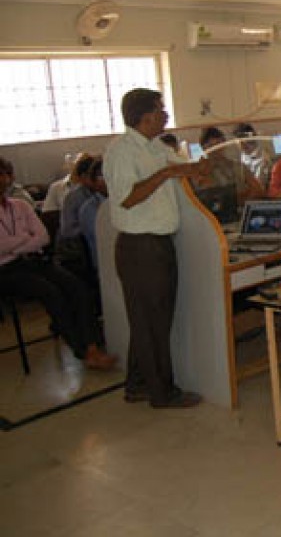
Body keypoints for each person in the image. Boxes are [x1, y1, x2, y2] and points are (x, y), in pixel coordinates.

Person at [103, 88, 210, 406]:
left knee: (150, 321)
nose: (166, 115)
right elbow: (127, 197)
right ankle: (163, 393)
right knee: (152, 323)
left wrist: (201, 168)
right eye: (161, 110)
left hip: (158, 244)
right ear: (146, 116)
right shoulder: (121, 151)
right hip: (140, 248)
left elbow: (184, 168)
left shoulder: (156, 146)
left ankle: (138, 384)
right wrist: (166, 173)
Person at [0, 156, 115, 370]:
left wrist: (14, 245)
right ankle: (83, 351)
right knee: (52, 293)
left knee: (77, 288)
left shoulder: (20, 206)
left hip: (35, 260)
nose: (5, 180)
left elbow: (43, 237)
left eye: (7, 174)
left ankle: (93, 345)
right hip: (6, 270)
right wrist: (24, 240)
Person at [196, 126, 266, 201]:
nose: (215, 150)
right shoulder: (199, 172)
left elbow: (258, 191)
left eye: (218, 145)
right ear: (203, 148)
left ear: (224, 144)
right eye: (211, 146)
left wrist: (241, 198)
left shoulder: (239, 167)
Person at [77, 158, 108, 270]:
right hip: (105, 263)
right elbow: (106, 240)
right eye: (102, 177)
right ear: (93, 181)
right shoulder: (90, 208)